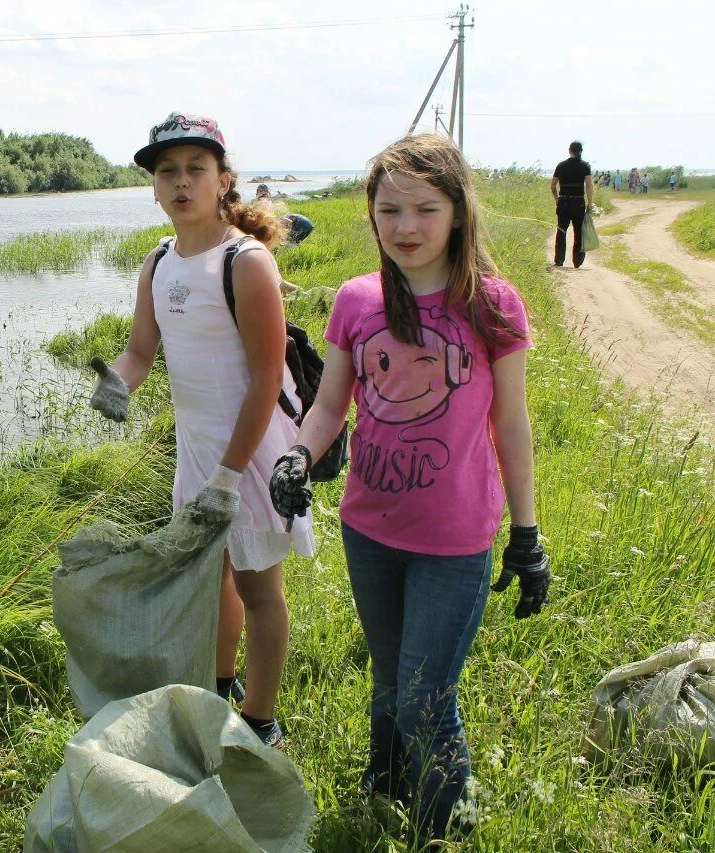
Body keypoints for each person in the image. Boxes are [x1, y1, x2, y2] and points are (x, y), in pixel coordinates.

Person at [269, 134, 550, 842]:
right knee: (390, 677)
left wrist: (527, 535)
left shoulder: (493, 304)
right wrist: (298, 456)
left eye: (425, 208)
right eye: (389, 210)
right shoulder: (359, 300)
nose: (406, 227)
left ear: (457, 211)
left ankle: (441, 821)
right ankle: (385, 781)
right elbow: (330, 405)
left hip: (455, 541)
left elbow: (511, 426)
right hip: (369, 529)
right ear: (371, 214)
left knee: (428, 694)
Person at [88, 112, 315, 747]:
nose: (181, 182)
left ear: (222, 181)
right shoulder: (158, 262)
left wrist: (229, 474)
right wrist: (118, 385)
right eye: (168, 172)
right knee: (212, 573)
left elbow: (267, 382)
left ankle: (262, 721)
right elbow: (140, 350)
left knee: (257, 584)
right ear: (154, 188)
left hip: (252, 450)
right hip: (197, 450)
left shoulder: (245, 264)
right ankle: (220, 686)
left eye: (196, 169)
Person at [550, 141, 593, 268]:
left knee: (561, 230)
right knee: (579, 232)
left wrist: (557, 198)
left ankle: (559, 260)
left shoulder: (561, 165)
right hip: (578, 202)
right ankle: (577, 261)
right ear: (581, 151)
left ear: (569, 150)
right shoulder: (585, 165)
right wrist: (590, 203)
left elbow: (553, 185)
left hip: (563, 201)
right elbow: (589, 186)